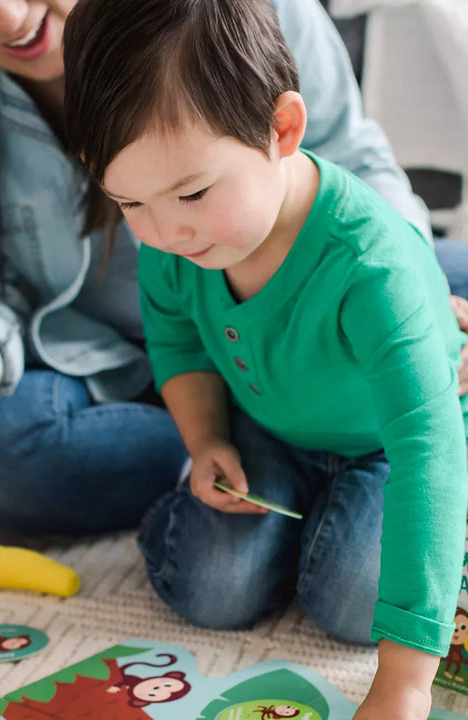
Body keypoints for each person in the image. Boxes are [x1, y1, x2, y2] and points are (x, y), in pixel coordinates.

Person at [0, 0, 468, 536]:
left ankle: (301, 454)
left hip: (299, 324)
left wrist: (415, 292)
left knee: (446, 279)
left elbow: (353, 160)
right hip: (104, 369)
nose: (12, 18)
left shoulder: (233, 19)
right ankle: (260, 452)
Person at [61, 0, 468, 718]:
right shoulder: (173, 236)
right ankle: (296, 519)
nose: (165, 231)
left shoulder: (373, 267)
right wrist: (204, 439)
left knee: (352, 601)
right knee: (213, 590)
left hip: (387, 448)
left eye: (191, 192)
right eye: (129, 202)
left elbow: (428, 453)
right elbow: (178, 340)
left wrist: (403, 686)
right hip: (269, 432)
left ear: (282, 129)